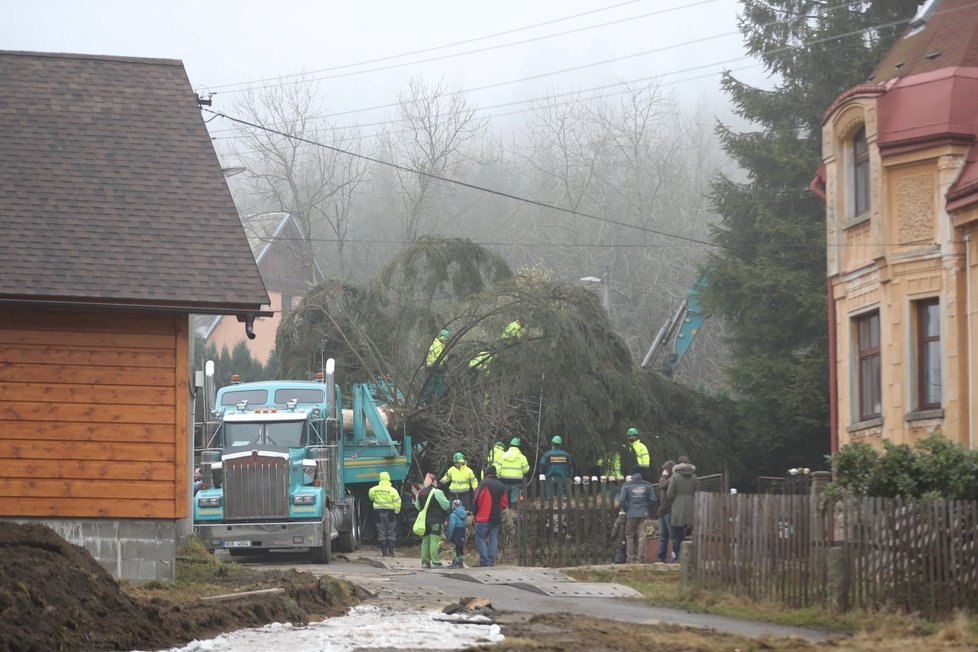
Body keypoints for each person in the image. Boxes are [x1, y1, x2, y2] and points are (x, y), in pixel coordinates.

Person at [617, 468, 657, 564]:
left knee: (629, 535)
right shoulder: (647, 485)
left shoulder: (626, 485)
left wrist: (628, 509)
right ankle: (641, 559)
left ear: (632, 474)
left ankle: (630, 559)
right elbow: (653, 499)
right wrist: (646, 507)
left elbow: (621, 501)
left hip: (631, 513)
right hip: (643, 513)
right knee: (642, 535)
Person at [472, 465, 509, 566]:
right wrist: (497, 510)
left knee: (480, 538)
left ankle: (485, 561)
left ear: (486, 473)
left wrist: (474, 512)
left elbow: (477, 499)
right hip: (496, 517)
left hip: (483, 516)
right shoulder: (502, 486)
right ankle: (492, 561)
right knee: (493, 538)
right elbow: (504, 503)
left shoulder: (483, 483)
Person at [414, 472, 450, 569]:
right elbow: (446, 505)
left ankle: (425, 562)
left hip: (424, 522)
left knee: (425, 541)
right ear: (434, 481)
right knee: (434, 541)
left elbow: (417, 507)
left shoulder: (420, 493)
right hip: (436, 520)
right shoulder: (437, 492)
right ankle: (435, 562)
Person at [667, 455, 697, 562]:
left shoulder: (674, 477)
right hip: (690, 507)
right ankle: (690, 558)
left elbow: (670, 494)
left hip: (677, 508)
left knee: (677, 535)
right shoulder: (694, 477)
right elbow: (697, 492)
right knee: (689, 534)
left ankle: (676, 557)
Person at [368, 471, 401, 557]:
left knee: (381, 532)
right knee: (391, 532)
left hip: (378, 513)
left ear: (380, 479)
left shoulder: (373, 489)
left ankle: (384, 553)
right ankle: (391, 552)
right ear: (388, 479)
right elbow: (398, 502)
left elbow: (371, 497)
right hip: (390, 513)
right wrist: (396, 513)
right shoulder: (393, 491)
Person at [497, 437, 530, 506]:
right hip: (516, 480)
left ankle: (506, 513)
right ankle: (514, 514)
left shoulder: (503, 456)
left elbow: (498, 469)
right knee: (515, 499)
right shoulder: (522, 457)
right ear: (518, 447)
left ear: (510, 445)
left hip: (504, 480)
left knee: (505, 498)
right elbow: (526, 469)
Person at [420, 328, 450, 404]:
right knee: (431, 387)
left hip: (436, 368)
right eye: (445, 338)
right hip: (434, 368)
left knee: (439, 387)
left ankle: (440, 403)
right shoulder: (437, 345)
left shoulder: (439, 345)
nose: (445, 340)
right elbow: (438, 358)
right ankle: (421, 402)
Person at [657, 460, 676, 563]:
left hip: (669, 510)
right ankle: (661, 557)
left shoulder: (671, 478)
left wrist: (663, 476)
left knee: (672, 535)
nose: (663, 471)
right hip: (664, 510)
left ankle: (673, 556)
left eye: (665, 469)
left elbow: (662, 485)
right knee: (662, 536)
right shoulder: (669, 478)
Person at [446, 499, 468, 568]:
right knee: (460, 547)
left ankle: (455, 563)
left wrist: (449, 536)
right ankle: (460, 562)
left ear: (453, 506)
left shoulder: (453, 515)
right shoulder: (464, 514)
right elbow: (465, 524)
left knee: (455, 548)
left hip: (456, 531)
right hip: (462, 532)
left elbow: (451, 526)